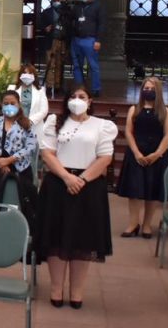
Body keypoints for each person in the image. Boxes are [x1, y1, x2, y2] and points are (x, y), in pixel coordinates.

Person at [36, 84, 117, 308]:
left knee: (83, 238)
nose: (77, 100)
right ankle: (56, 288)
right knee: (56, 236)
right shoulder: (55, 122)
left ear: (90, 101)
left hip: (88, 186)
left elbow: (105, 158)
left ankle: (77, 290)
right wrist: (67, 177)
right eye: (73, 96)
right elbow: (47, 154)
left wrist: (81, 180)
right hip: (58, 183)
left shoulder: (101, 126)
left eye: (82, 96)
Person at [115, 76, 168, 239]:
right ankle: (133, 223)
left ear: (158, 91)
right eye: (146, 88)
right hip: (136, 153)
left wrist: (157, 153)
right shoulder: (134, 109)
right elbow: (128, 132)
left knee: (152, 191)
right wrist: (136, 153)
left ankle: (147, 225)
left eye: (152, 89)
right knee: (134, 190)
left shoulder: (166, 112)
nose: (148, 91)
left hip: (157, 155)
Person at [0, 90, 39, 226]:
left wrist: (9, 160)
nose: (9, 106)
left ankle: (20, 231)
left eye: (13, 103)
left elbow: (30, 146)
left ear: (19, 105)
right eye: (6, 103)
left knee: (21, 203)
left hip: (20, 169)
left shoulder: (26, 124)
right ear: (1, 105)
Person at [71, 0, 104, 97]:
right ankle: (79, 87)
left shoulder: (97, 6)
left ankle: (96, 89)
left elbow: (101, 24)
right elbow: (71, 20)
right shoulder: (77, 7)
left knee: (93, 65)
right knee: (76, 65)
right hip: (76, 39)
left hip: (90, 39)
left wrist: (98, 40)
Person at [7, 64, 49, 139]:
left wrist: (29, 121)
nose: (27, 76)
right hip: (15, 125)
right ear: (20, 75)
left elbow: (44, 110)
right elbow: (8, 107)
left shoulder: (40, 91)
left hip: (34, 127)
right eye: (25, 73)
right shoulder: (12, 88)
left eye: (30, 73)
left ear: (34, 76)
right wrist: (19, 121)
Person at [40, 0, 69, 95]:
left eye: (58, 0)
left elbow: (70, 24)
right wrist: (45, 28)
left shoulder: (66, 12)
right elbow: (41, 25)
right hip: (51, 40)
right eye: (55, 0)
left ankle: (58, 86)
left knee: (60, 64)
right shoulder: (47, 12)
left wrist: (65, 6)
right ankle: (49, 86)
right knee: (50, 63)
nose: (57, 2)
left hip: (62, 41)